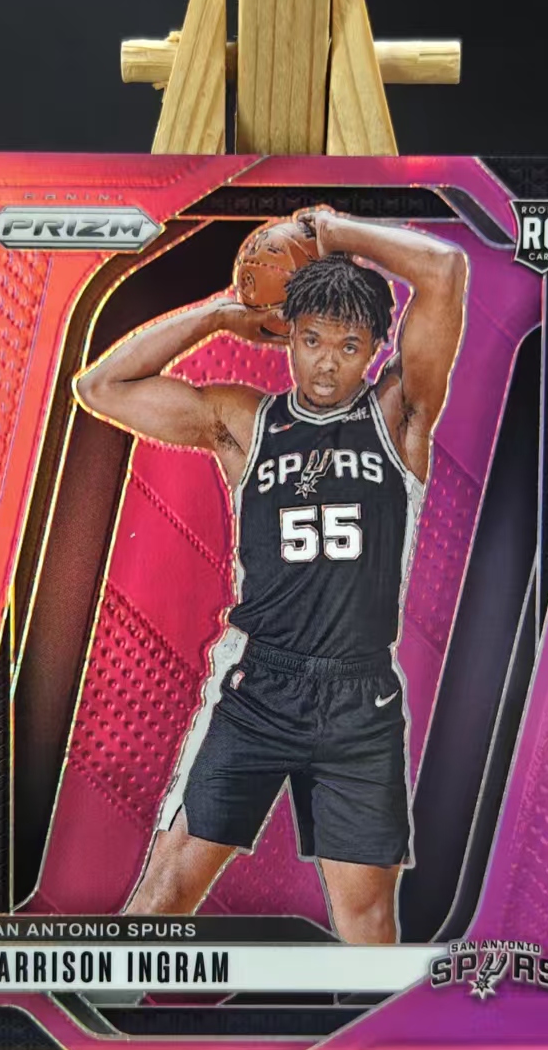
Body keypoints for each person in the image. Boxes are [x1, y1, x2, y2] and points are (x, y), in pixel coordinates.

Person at [73, 210, 467, 944]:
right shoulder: (243, 422)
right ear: (288, 336)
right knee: (166, 891)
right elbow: (100, 387)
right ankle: (106, 1021)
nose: (327, 364)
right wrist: (219, 316)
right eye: (311, 340)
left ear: (374, 350)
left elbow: (444, 271)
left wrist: (336, 231)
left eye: (348, 346)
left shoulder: (398, 416)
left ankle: (373, 1033)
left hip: (358, 698)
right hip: (258, 687)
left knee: (367, 920)